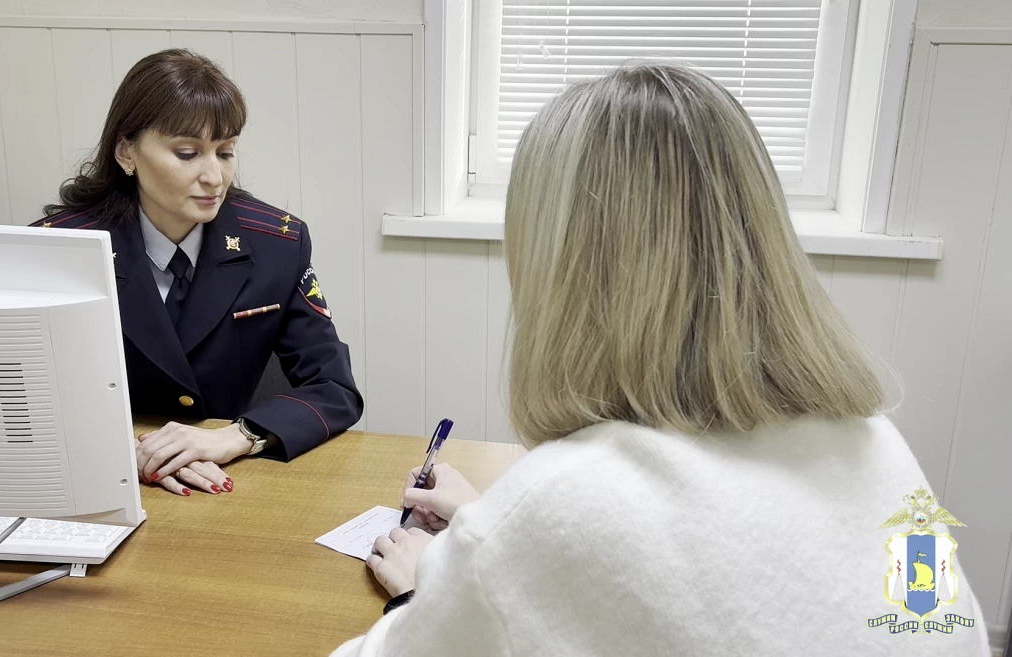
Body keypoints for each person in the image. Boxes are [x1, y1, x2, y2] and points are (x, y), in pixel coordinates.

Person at [331, 62, 990, 655]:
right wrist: (492, 531)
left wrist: (434, 580)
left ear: (560, 272)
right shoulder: (877, 445)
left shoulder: (571, 502)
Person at [33, 49, 363, 497]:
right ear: (126, 151)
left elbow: (334, 388)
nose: (214, 177)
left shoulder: (277, 244)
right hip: (107, 478)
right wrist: (121, 450)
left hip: (229, 480)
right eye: (188, 153)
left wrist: (237, 436)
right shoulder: (58, 249)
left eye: (225, 152)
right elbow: (23, 394)